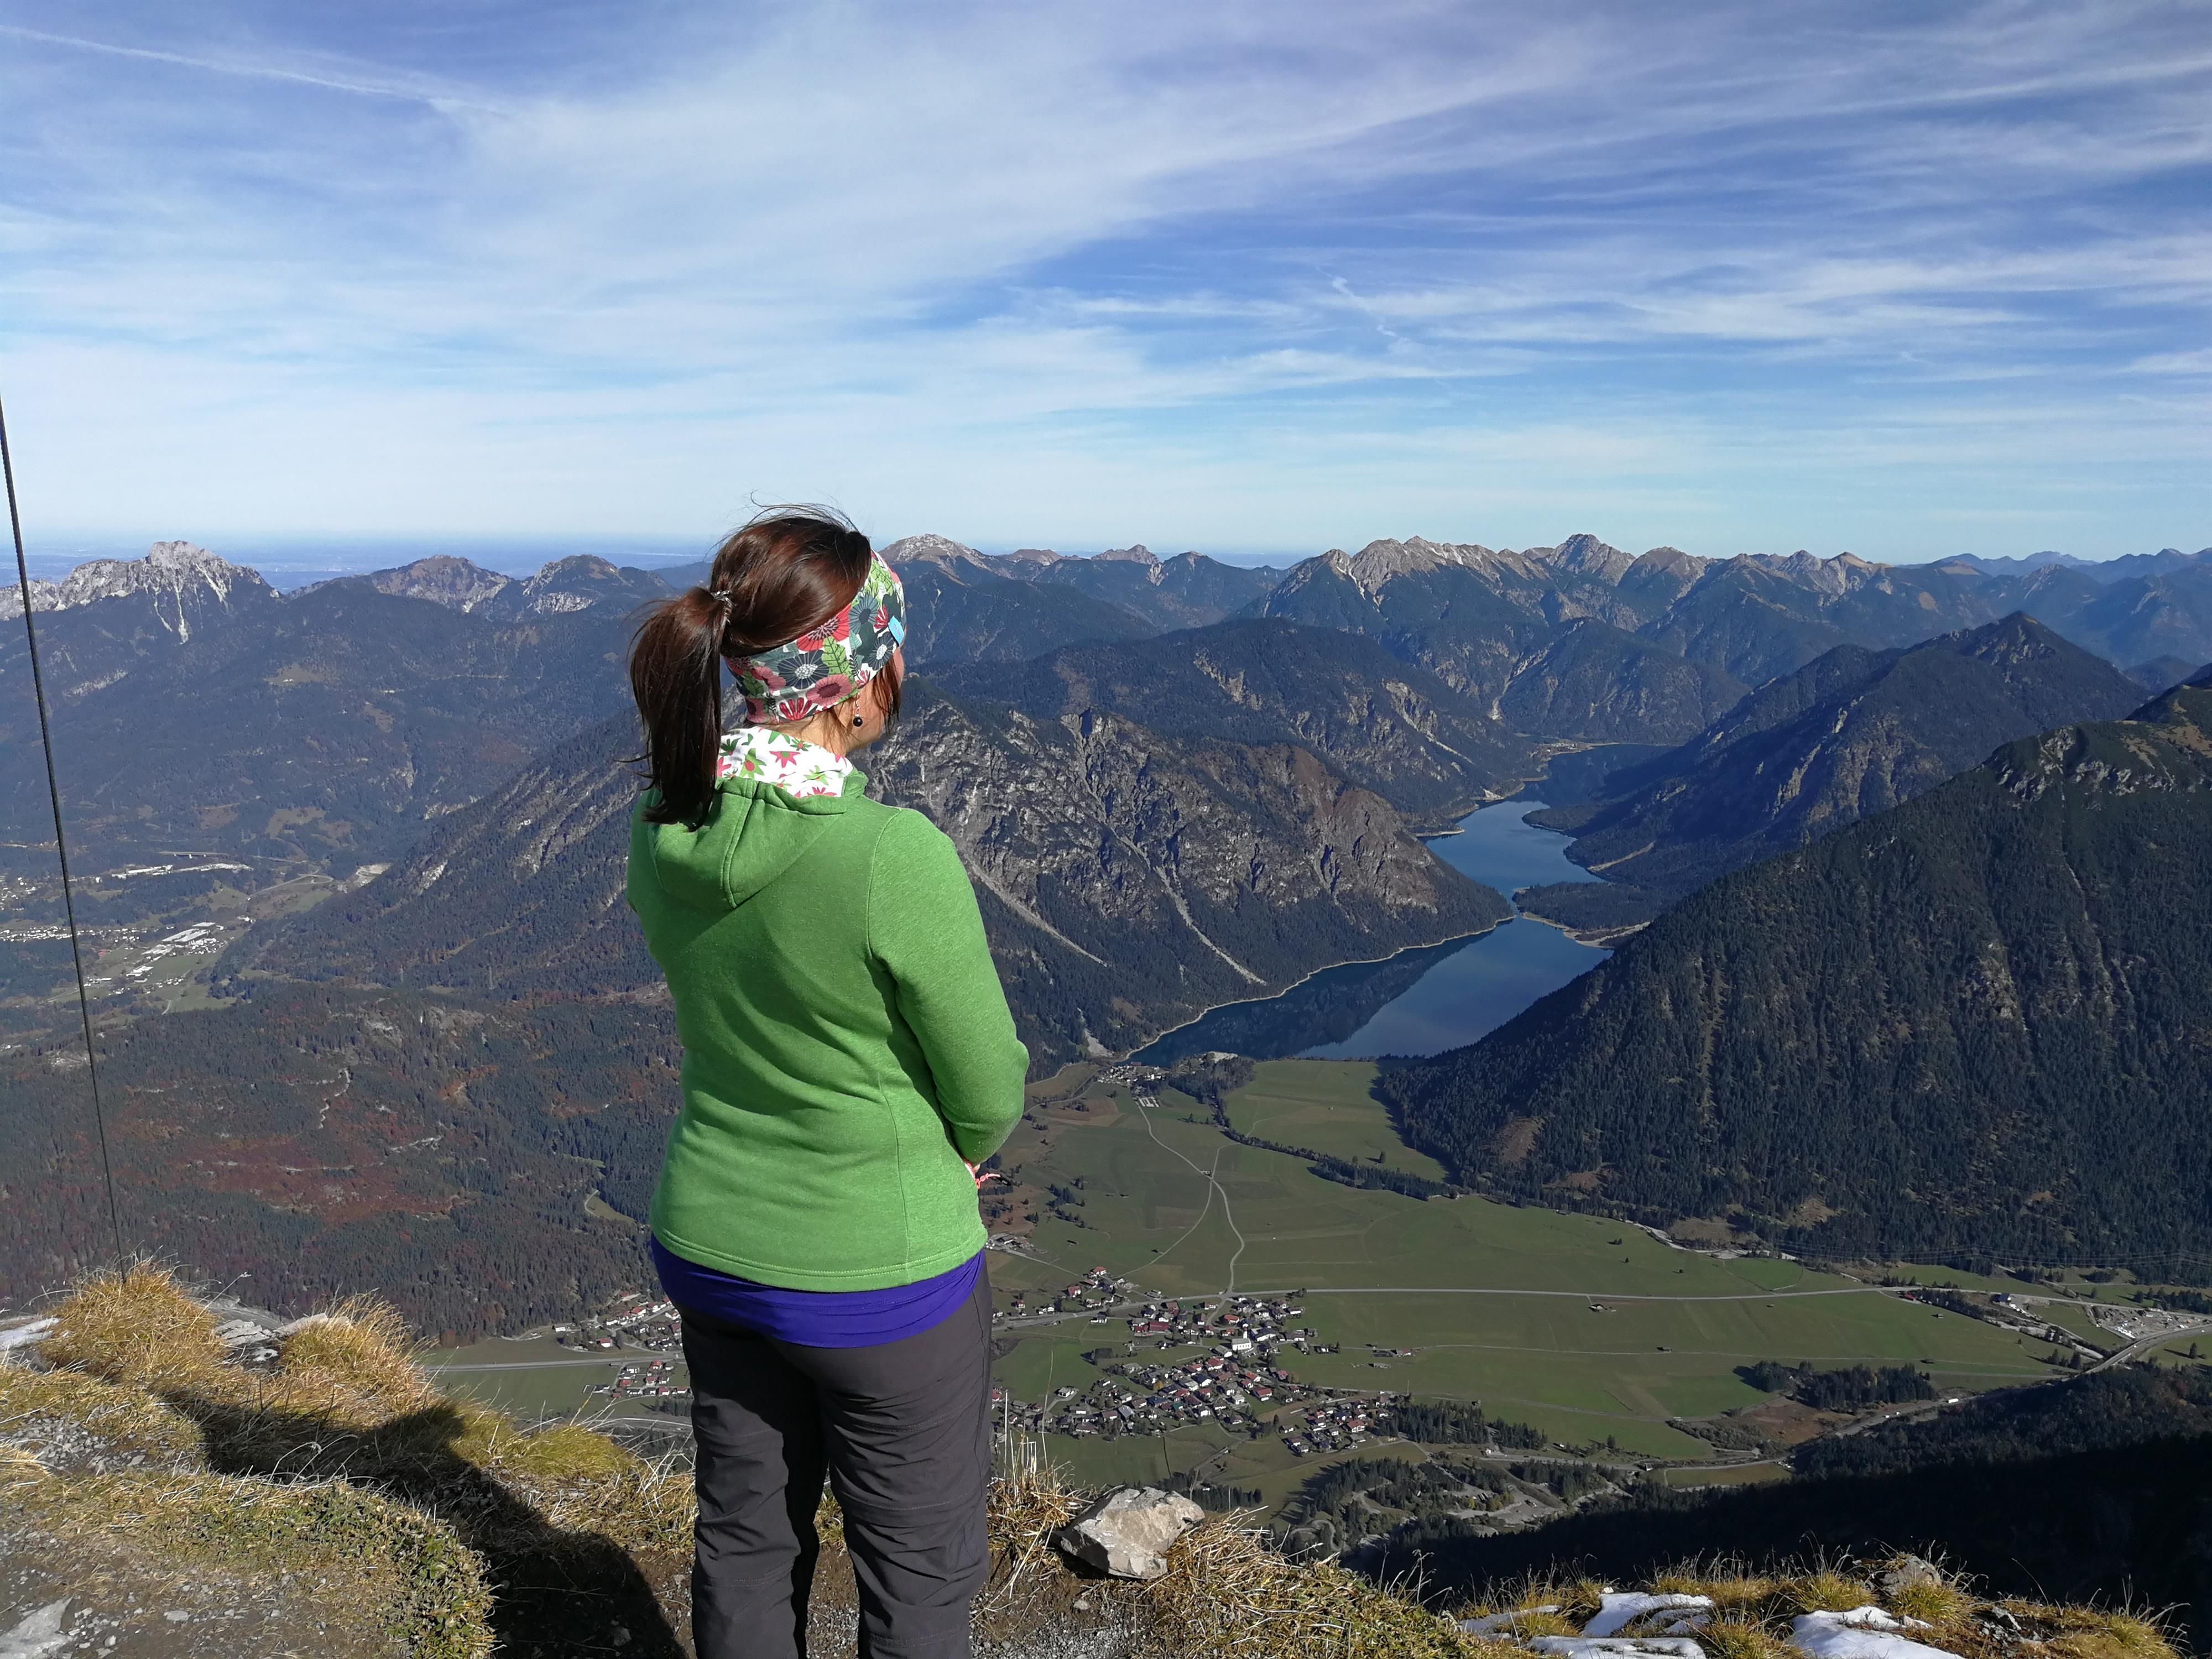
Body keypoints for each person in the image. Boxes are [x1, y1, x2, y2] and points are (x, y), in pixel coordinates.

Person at [625, 506, 1028, 1659]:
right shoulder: (888, 855)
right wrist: (960, 1147)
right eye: (894, 653)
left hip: (712, 1243)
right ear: (854, 685)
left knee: (746, 1537)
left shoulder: (661, 823)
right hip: (876, 1275)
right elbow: (987, 1086)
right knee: (918, 1572)